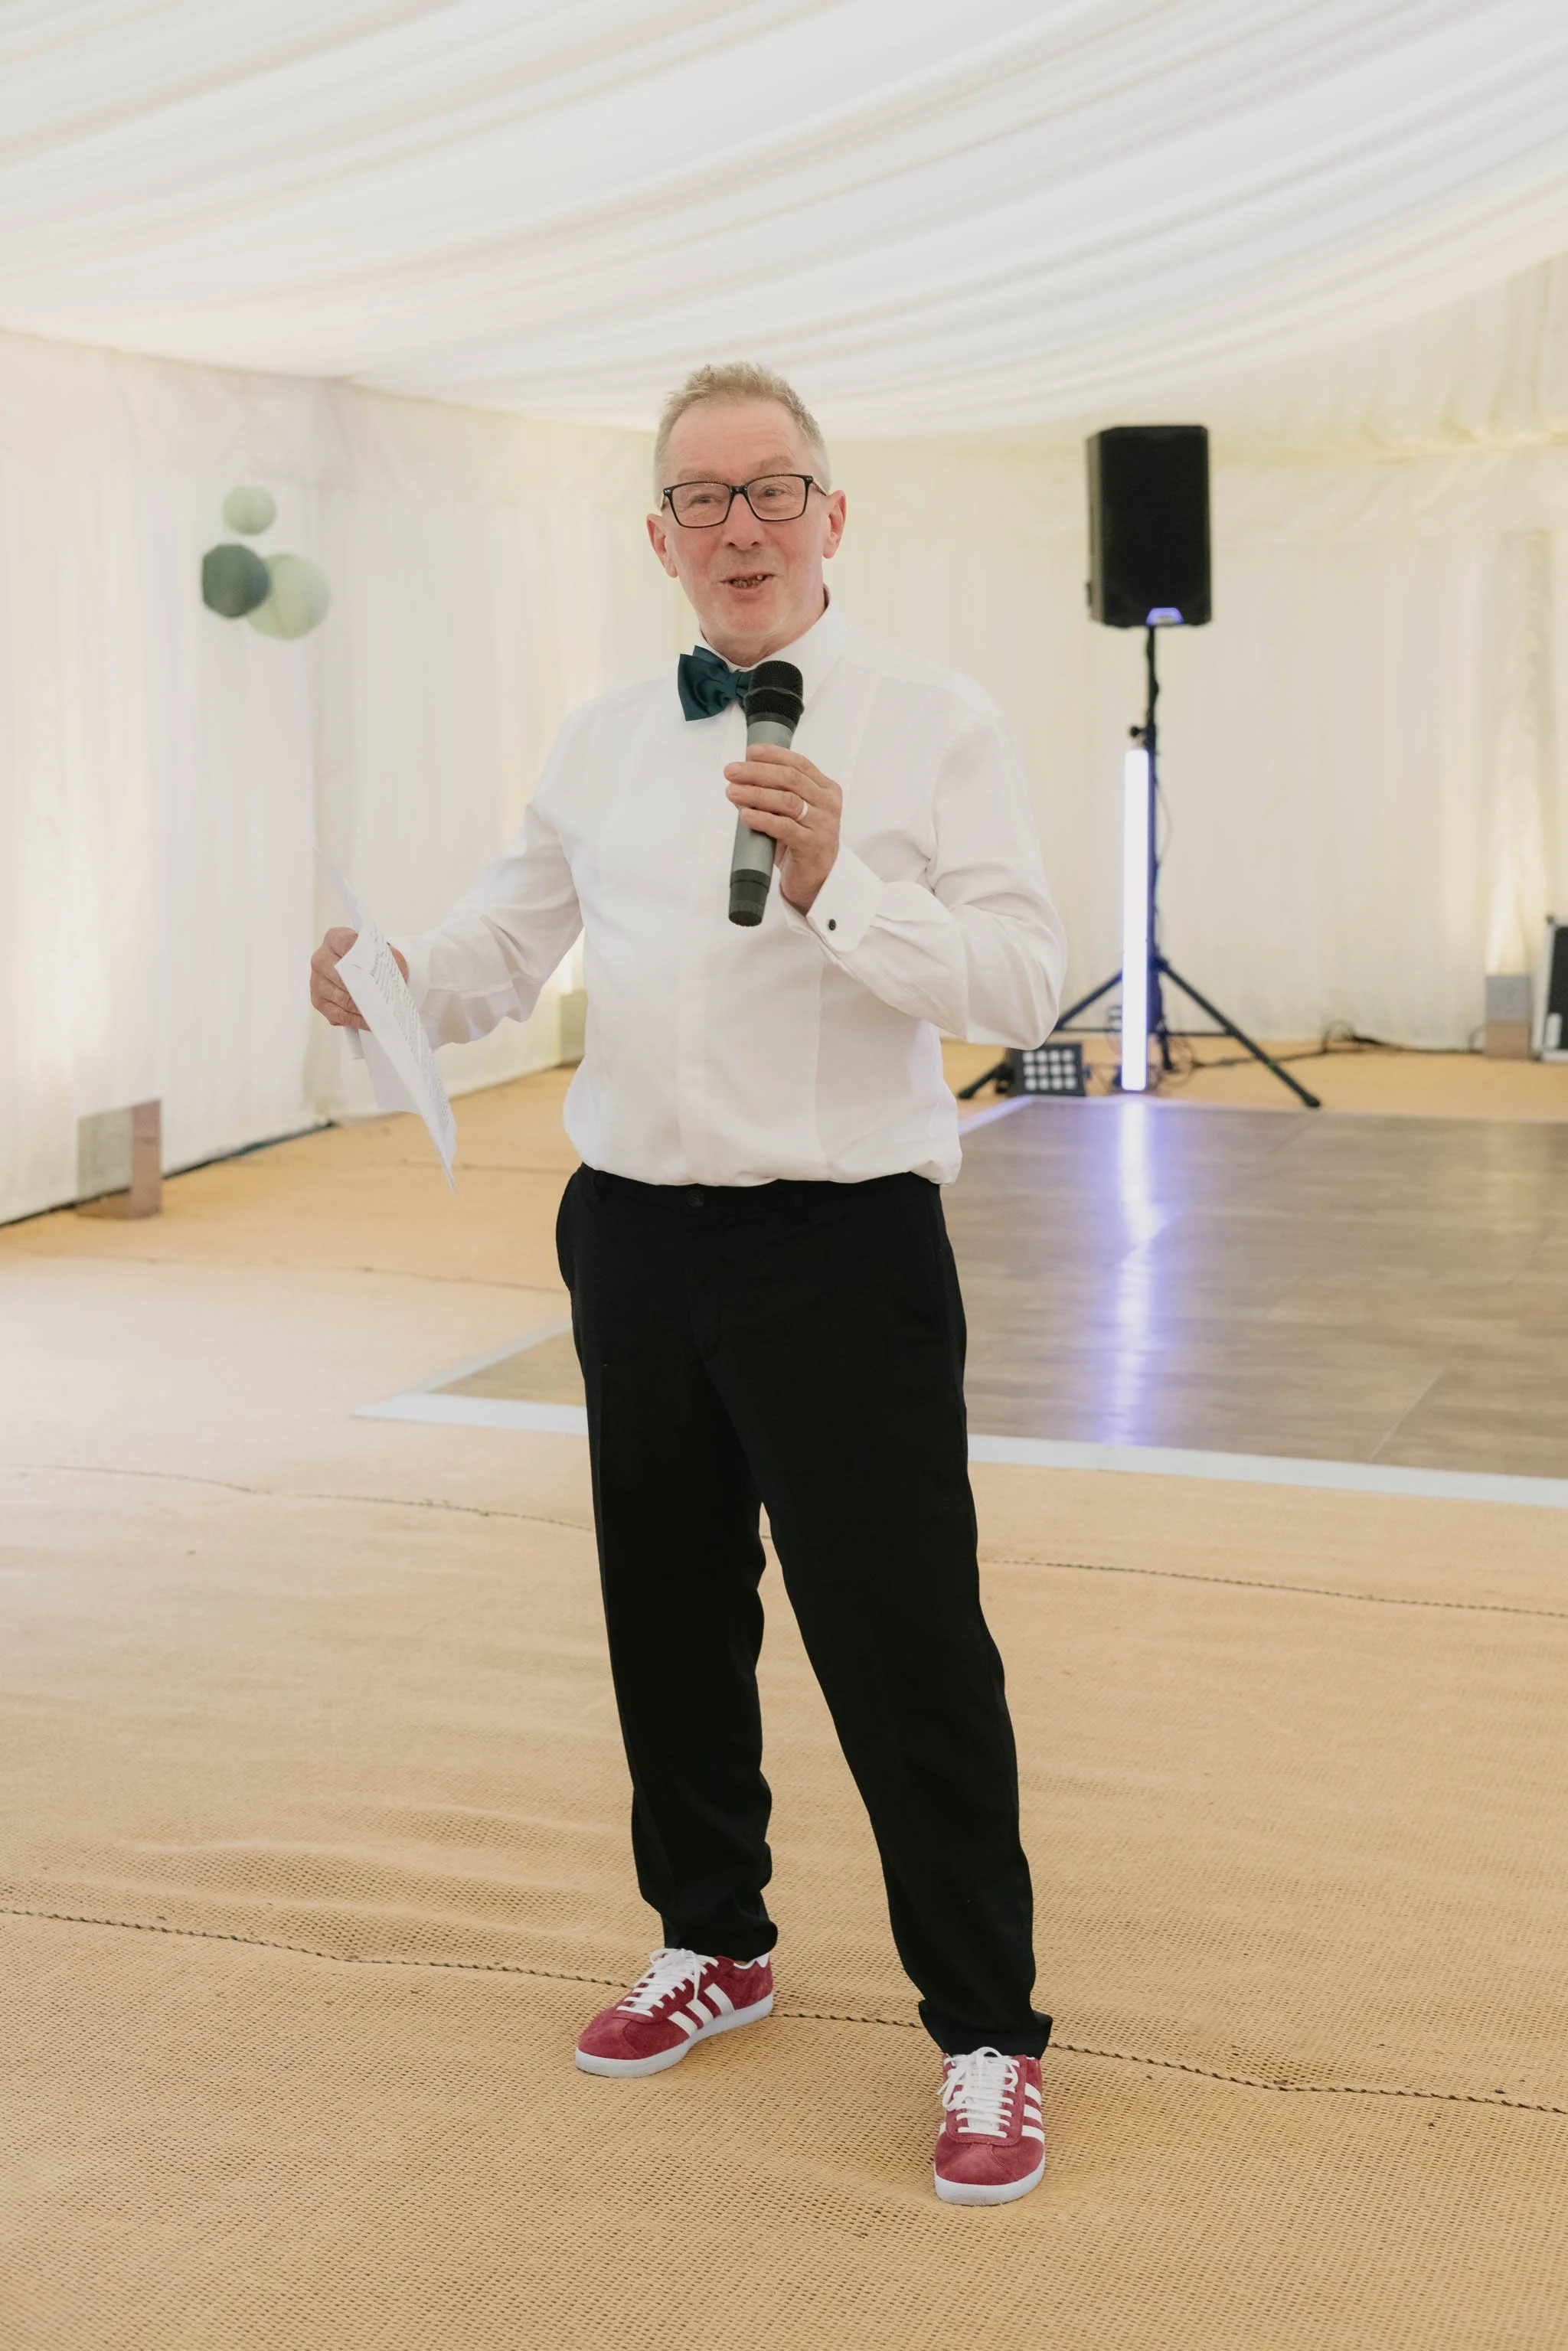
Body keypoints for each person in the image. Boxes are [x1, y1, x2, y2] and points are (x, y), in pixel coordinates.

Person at [310, 361, 1067, 2206]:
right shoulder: (598, 732)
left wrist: (835, 879)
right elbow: (514, 931)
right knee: (667, 1610)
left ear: (832, 513)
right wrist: (397, 971)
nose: (741, 526)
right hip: (635, 1234)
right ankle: (713, 1936)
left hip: (841, 1242)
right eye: (704, 498)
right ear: (659, 534)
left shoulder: (937, 720)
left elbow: (1021, 983)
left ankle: (984, 2031)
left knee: (902, 1643)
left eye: (773, 489)